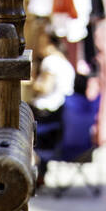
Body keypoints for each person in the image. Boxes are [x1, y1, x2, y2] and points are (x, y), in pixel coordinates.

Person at [29, 29, 76, 184]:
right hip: (62, 111)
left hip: (46, 111)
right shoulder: (66, 62)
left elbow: (45, 88)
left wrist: (32, 84)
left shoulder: (51, 61)